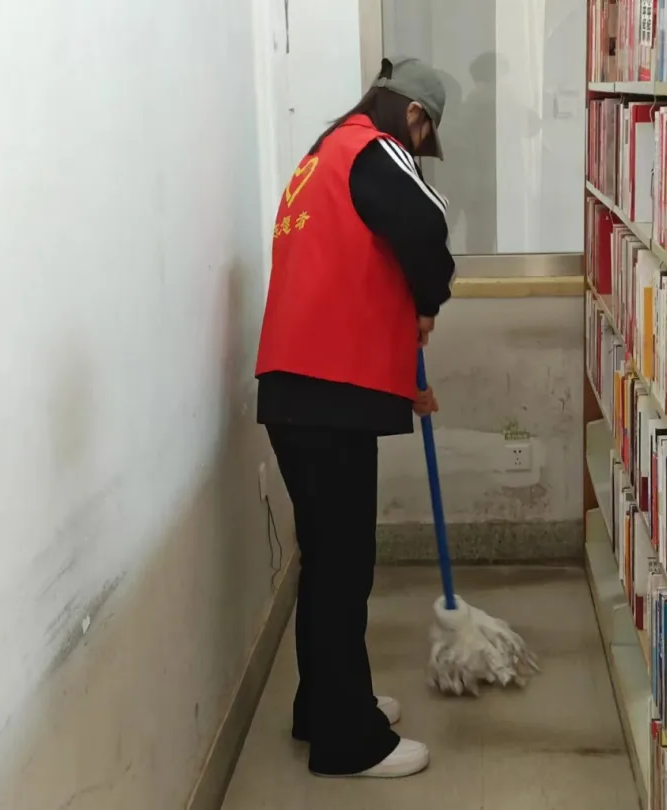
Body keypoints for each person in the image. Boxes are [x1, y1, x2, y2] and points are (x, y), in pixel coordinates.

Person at [254, 57, 455, 778]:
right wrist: (429, 300)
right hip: (328, 391)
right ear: (414, 116)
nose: (419, 151)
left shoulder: (321, 157)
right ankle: (348, 740)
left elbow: (349, 274)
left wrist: (401, 360)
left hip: (296, 387)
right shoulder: (373, 148)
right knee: (344, 568)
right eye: (424, 139)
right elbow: (427, 222)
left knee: (326, 560)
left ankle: (324, 705)